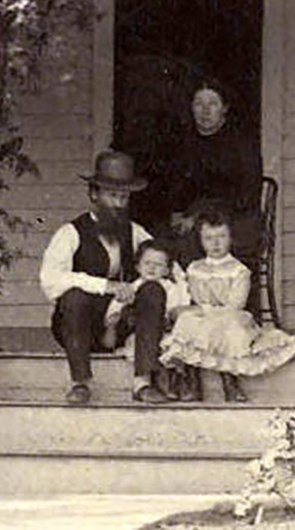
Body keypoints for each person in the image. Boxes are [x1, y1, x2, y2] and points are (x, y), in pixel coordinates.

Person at [39, 150, 185, 405]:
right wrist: (106, 286)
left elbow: (171, 266)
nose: (118, 204)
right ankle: (80, 383)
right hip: (81, 326)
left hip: (121, 328)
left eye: (124, 197)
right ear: (94, 194)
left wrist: (178, 299)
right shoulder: (71, 232)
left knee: (153, 290)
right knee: (73, 296)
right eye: (112, 196)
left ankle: (142, 383)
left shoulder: (135, 232)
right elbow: (50, 279)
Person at [159, 210, 295, 403]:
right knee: (188, 321)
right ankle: (192, 381)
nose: (215, 243)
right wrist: (200, 309)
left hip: (229, 315)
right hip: (204, 317)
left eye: (221, 236)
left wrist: (206, 309)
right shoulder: (195, 268)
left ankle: (230, 381)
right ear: (201, 241)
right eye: (209, 238)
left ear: (230, 238)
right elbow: (194, 298)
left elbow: (235, 305)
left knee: (231, 325)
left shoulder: (238, 270)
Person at [165, 81, 262, 272]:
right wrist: (177, 212)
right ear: (191, 108)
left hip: (237, 219)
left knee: (195, 237)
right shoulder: (185, 142)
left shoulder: (241, 144)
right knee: (164, 240)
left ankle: (205, 295)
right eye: (199, 104)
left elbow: (246, 195)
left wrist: (200, 214)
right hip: (193, 218)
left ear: (224, 108)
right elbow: (177, 186)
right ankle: (181, 294)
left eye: (213, 103)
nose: (205, 110)